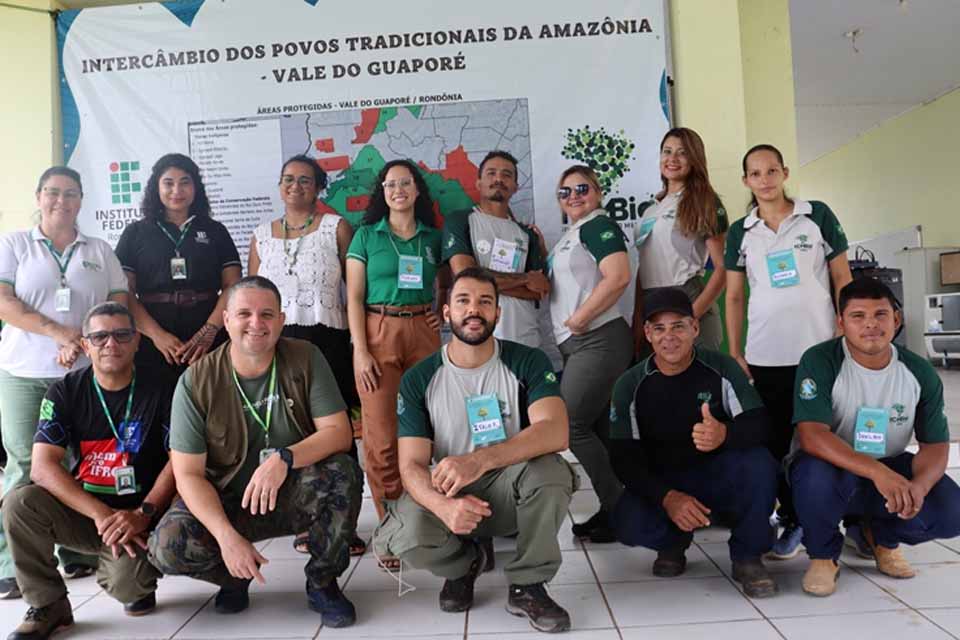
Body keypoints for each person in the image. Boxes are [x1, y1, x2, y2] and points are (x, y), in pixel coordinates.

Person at [147, 276, 362, 626]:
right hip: (229, 502)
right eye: (244, 313)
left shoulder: (306, 357)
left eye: (266, 314)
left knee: (343, 472)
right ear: (227, 319)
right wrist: (226, 537)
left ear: (281, 319)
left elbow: (338, 433)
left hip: (292, 490)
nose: (256, 323)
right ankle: (234, 575)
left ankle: (323, 582)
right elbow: (187, 474)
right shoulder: (195, 381)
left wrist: (285, 458)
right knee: (167, 545)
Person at [374, 267, 578, 632]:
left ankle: (527, 584)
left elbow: (556, 431)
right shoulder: (420, 378)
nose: (474, 310)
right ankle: (464, 564)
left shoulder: (527, 361)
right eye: (463, 300)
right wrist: (443, 507)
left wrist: (478, 461)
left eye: (485, 302)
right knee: (402, 536)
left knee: (551, 471)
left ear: (498, 313)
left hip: (512, 484)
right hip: (454, 490)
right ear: (446, 311)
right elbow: (411, 464)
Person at [4, 303, 176, 639]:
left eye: (121, 335)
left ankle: (131, 570)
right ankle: (48, 603)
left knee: (130, 588)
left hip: (142, 514)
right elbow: (42, 468)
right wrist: (100, 514)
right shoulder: (65, 391)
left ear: (137, 340)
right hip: (88, 511)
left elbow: (179, 461)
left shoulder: (164, 388)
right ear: (85, 345)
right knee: (19, 503)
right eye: (99, 337)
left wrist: (143, 513)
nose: (110, 343)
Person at [0, 166, 129, 598]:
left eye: (70, 193)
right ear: (38, 196)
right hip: (23, 373)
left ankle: (76, 551)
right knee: (23, 466)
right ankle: (10, 564)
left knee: (81, 465)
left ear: (81, 199)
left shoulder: (98, 248)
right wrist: (61, 334)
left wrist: (89, 344)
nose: (61, 201)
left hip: (82, 376)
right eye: (52, 192)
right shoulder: (15, 244)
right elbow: (4, 302)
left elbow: (119, 302)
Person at [789, 278, 960, 596]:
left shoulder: (918, 372)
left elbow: (934, 444)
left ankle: (882, 538)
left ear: (896, 319)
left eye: (881, 314)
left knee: (952, 511)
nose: (870, 324)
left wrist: (918, 487)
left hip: (890, 465)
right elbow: (812, 436)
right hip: (834, 467)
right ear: (841, 323)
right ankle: (824, 557)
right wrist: (876, 472)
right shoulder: (821, 360)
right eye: (858, 316)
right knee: (813, 474)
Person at [724, 144, 853, 560]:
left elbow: (842, 275)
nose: (765, 179)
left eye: (772, 170)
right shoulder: (740, 232)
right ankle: (793, 518)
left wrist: (844, 323)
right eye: (756, 173)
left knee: (825, 436)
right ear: (746, 181)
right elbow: (733, 297)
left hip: (818, 349)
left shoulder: (816, 216)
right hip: (765, 354)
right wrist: (735, 352)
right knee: (776, 442)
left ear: (783, 173)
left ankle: (854, 519)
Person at [607, 287, 779, 598]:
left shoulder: (722, 368)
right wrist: (667, 497)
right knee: (627, 523)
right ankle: (673, 542)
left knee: (759, 463)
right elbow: (623, 458)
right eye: (659, 328)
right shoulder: (629, 383)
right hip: (665, 480)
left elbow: (761, 425)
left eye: (678, 326)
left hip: (716, 474)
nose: (668, 337)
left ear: (695, 328)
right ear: (647, 333)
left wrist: (725, 434)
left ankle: (748, 556)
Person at [248, 154, 365, 556]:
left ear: (318, 187)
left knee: (335, 431)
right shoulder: (262, 234)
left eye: (305, 180)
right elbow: (252, 295)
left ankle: (344, 525)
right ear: (279, 186)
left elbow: (355, 290)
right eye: (288, 179)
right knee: (291, 428)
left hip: (327, 340)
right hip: (277, 343)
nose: (295, 186)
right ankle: (305, 522)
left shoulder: (337, 227)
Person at [345, 159, 443, 569]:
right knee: (382, 438)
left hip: (424, 332)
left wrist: (439, 312)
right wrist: (360, 350)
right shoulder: (366, 236)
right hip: (378, 332)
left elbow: (445, 285)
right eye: (390, 184)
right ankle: (391, 526)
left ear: (417, 190)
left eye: (405, 183)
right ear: (382, 192)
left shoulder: (433, 238)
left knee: (428, 431)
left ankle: (427, 517)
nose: (398, 189)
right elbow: (352, 297)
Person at [547, 165, 632, 543]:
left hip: (598, 338)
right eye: (565, 192)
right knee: (599, 430)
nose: (574, 196)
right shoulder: (573, 234)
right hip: (578, 344)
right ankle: (616, 509)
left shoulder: (599, 226)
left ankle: (622, 508)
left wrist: (581, 317)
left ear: (597, 192)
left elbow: (618, 276)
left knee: (569, 426)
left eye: (582, 188)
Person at [115, 153, 242, 380]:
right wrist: (157, 335)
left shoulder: (215, 230)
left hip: (208, 336)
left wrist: (210, 330)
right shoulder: (135, 233)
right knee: (158, 404)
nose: (177, 190)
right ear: (156, 187)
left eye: (185, 182)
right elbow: (123, 292)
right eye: (168, 183)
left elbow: (233, 284)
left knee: (210, 400)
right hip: (152, 338)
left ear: (196, 188)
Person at [632, 128, 728, 353]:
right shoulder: (652, 208)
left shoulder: (704, 201)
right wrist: (637, 316)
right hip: (651, 306)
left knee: (699, 384)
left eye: (682, 153)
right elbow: (644, 265)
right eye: (667, 151)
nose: (672, 159)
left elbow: (723, 269)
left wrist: (692, 315)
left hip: (688, 299)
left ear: (694, 159)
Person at [442, 150, 549, 347]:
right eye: (491, 173)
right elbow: (465, 276)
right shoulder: (459, 221)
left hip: (524, 337)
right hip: (476, 339)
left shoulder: (528, 234)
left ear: (515, 187)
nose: (498, 179)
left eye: (506, 175)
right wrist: (524, 279)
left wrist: (484, 283)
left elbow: (538, 290)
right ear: (478, 183)